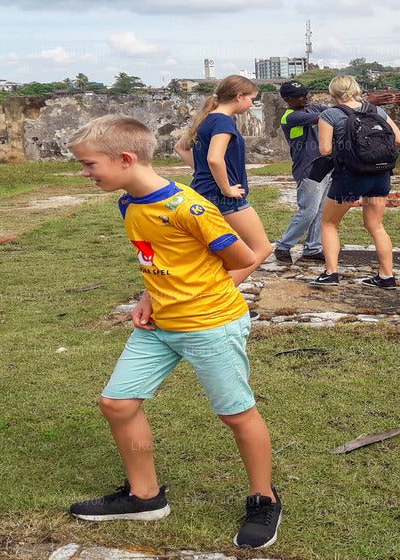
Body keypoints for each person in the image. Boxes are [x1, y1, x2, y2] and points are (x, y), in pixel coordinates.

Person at [68, 115, 281, 550]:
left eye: (90, 165)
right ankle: (144, 496)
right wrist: (150, 296)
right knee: (117, 403)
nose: (86, 174)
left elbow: (245, 257)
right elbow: (158, 260)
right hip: (159, 325)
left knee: (236, 414)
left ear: (125, 158)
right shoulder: (130, 203)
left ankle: (264, 499)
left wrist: (200, 296)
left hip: (211, 325)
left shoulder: (189, 208)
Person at [273, 81, 400, 264]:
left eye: (306, 93)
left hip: (327, 166)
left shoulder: (313, 108)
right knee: (308, 210)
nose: (305, 97)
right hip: (308, 169)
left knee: (321, 211)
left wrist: (364, 103)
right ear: (287, 99)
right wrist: (369, 103)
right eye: (299, 96)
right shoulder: (290, 117)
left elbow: (341, 109)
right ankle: (283, 246)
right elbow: (333, 114)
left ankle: (313, 247)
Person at [309, 75, 400, 289]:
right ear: (356, 90)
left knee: (329, 223)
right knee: (376, 226)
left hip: (350, 176)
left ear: (333, 94)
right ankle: (387, 276)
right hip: (380, 175)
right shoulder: (376, 111)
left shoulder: (330, 114)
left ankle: (331, 273)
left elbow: (325, 150)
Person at [174, 75, 271, 285]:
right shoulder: (223, 121)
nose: (252, 103)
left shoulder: (206, 118)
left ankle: (211, 297)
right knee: (261, 249)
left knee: (223, 253)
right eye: (252, 99)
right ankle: (218, 299)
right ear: (239, 96)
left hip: (202, 192)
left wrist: (203, 172)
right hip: (223, 197)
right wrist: (227, 188)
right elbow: (214, 159)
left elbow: (180, 148)